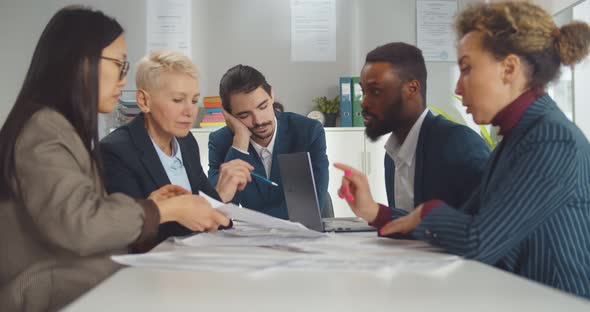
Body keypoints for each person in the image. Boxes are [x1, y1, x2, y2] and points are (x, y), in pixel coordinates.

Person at [336, 1, 590, 299]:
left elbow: (476, 240)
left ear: (509, 69)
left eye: (467, 69)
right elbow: (459, 225)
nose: (458, 87)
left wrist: (426, 212)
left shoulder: (550, 138)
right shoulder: (518, 138)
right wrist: (375, 212)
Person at [0, 7, 230, 311]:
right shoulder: (45, 128)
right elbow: (80, 226)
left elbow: (80, 216)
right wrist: (160, 210)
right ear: (82, 63)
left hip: (65, 275)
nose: (124, 81)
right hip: (42, 286)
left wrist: (153, 206)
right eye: (119, 65)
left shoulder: (60, 128)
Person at [100, 50, 253, 243]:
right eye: (178, 100)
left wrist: (221, 197)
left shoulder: (187, 142)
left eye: (194, 100)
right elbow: (134, 234)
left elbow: (207, 212)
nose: (190, 111)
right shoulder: (116, 151)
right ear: (144, 101)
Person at [354, 42, 489, 226]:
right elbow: (406, 224)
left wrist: (376, 212)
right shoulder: (392, 153)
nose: (364, 102)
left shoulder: (458, 144)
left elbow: (482, 229)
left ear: (412, 89)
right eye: (364, 92)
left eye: (376, 91)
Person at [208, 65, 329, 219]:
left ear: (271, 94)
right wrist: (240, 142)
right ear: (229, 115)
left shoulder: (308, 132)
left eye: (263, 106)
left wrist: (254, 220)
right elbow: (220, 212)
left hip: (299, 234)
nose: (259, 121)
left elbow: (309, 204)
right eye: (244, 115)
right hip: (249, 240)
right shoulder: (220, 142)